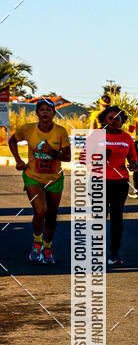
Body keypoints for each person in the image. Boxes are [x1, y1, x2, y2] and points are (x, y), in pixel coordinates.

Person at [9, 97, 71, 263]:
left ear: (53, 113)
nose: (45, 112)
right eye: (41, 110)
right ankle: (37, 244)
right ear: (37, 113)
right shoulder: (28, 129)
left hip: (54, 178)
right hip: (33, 177)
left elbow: (68, 157)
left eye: (48, 110)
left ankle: (47, 247)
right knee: (40, 211)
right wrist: (18, 160)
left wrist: (52, 152)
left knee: (51, 215)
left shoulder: (60, 132)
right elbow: (12, 140)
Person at [95, 106, 138, 265]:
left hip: (120, 182)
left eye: (117, 119)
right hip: (99, 181)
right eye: (110, 118)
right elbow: (84, 159)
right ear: (104, 120)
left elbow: (133, 158)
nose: (113, 121)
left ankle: (114, 253)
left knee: (117, 218)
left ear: (122, 121)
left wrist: (133, 165)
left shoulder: (126, 137)